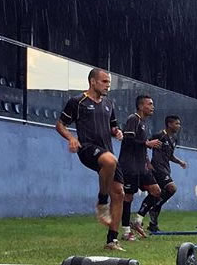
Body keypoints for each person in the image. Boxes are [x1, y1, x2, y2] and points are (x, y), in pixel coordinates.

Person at [56, 68, 125, 251]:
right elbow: (60, 124)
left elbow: (113, 126)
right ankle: (102, 201)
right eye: (104, 82)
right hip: (87, 148)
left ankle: (112, 240)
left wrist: (117, 132)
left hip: (107, 150)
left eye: (109, 83)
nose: (107, 86)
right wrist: (71, 138)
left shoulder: (109, 104)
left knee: (119, 193)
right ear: (92, 82)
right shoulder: (77, 102)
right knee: (110, 161)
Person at [119, 95, 163, 241]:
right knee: (128, 197)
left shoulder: (144, 123)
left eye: (153, 104)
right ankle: (126, 231)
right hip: (129, 165)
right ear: (141, 106)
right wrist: (146, 143)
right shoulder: (134, 119)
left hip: (141, 166)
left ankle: (137, 220)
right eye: (150, 104)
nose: (152, 107)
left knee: (156, 191)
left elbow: (141, 143)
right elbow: (128, 140)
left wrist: (147, 160)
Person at [143, 115, 187, 233]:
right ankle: (154, 209)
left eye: (179, 124)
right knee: (172, 188)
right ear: (169, 124)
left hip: (166, 168)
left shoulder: (174, 139)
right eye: (176, 124)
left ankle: (152, 224)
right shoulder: (159, 135)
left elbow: (170, 155)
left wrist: (179, 162)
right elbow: (146, 145)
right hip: (157, 167)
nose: (179, 126)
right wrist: (147, 163)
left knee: (156, 194)